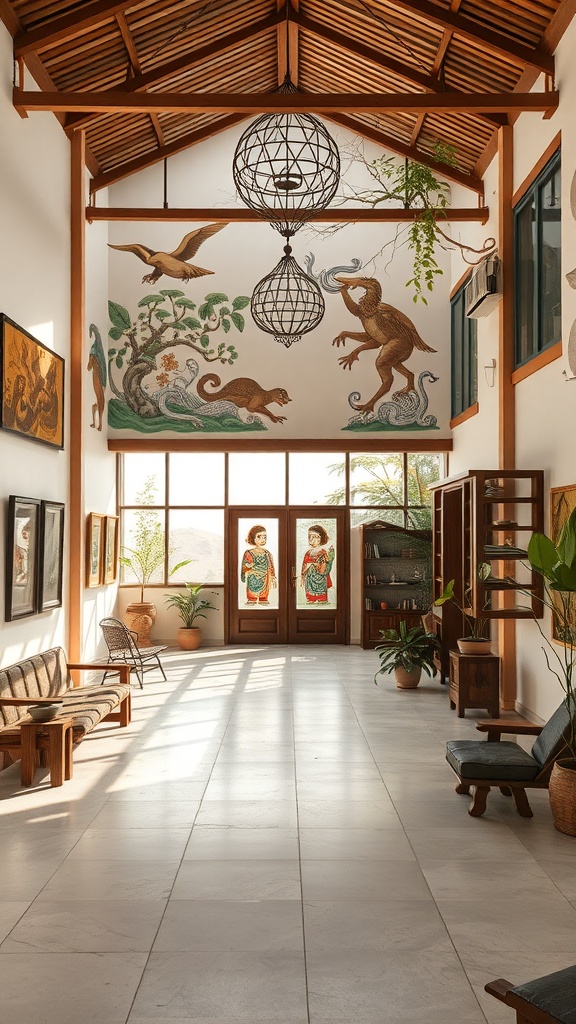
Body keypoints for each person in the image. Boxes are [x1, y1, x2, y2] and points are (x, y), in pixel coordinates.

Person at [241, 525, 277, 605]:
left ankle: (263, 599)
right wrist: (249, 566)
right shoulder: (249, 553)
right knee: (251, 590)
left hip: (265, 576)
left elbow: (270, 565)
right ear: (252, 537)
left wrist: (273, 576)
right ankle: (251, 599)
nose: (262, 539)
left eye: (264, 537)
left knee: (264, 594)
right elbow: (245, 566)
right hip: (253, 576)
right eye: (259, 537)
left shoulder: (267, 553)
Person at [301, 525, 335, 604]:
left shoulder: (325, 551)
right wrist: (303, 577)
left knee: (322, 602)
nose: (311, 539)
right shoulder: (308, 553)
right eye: (309, 536)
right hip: (309, 582)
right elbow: (304, 567)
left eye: (314, 537)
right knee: (310, 601)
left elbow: (326, 568)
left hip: (321, 582)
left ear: (321, 538)